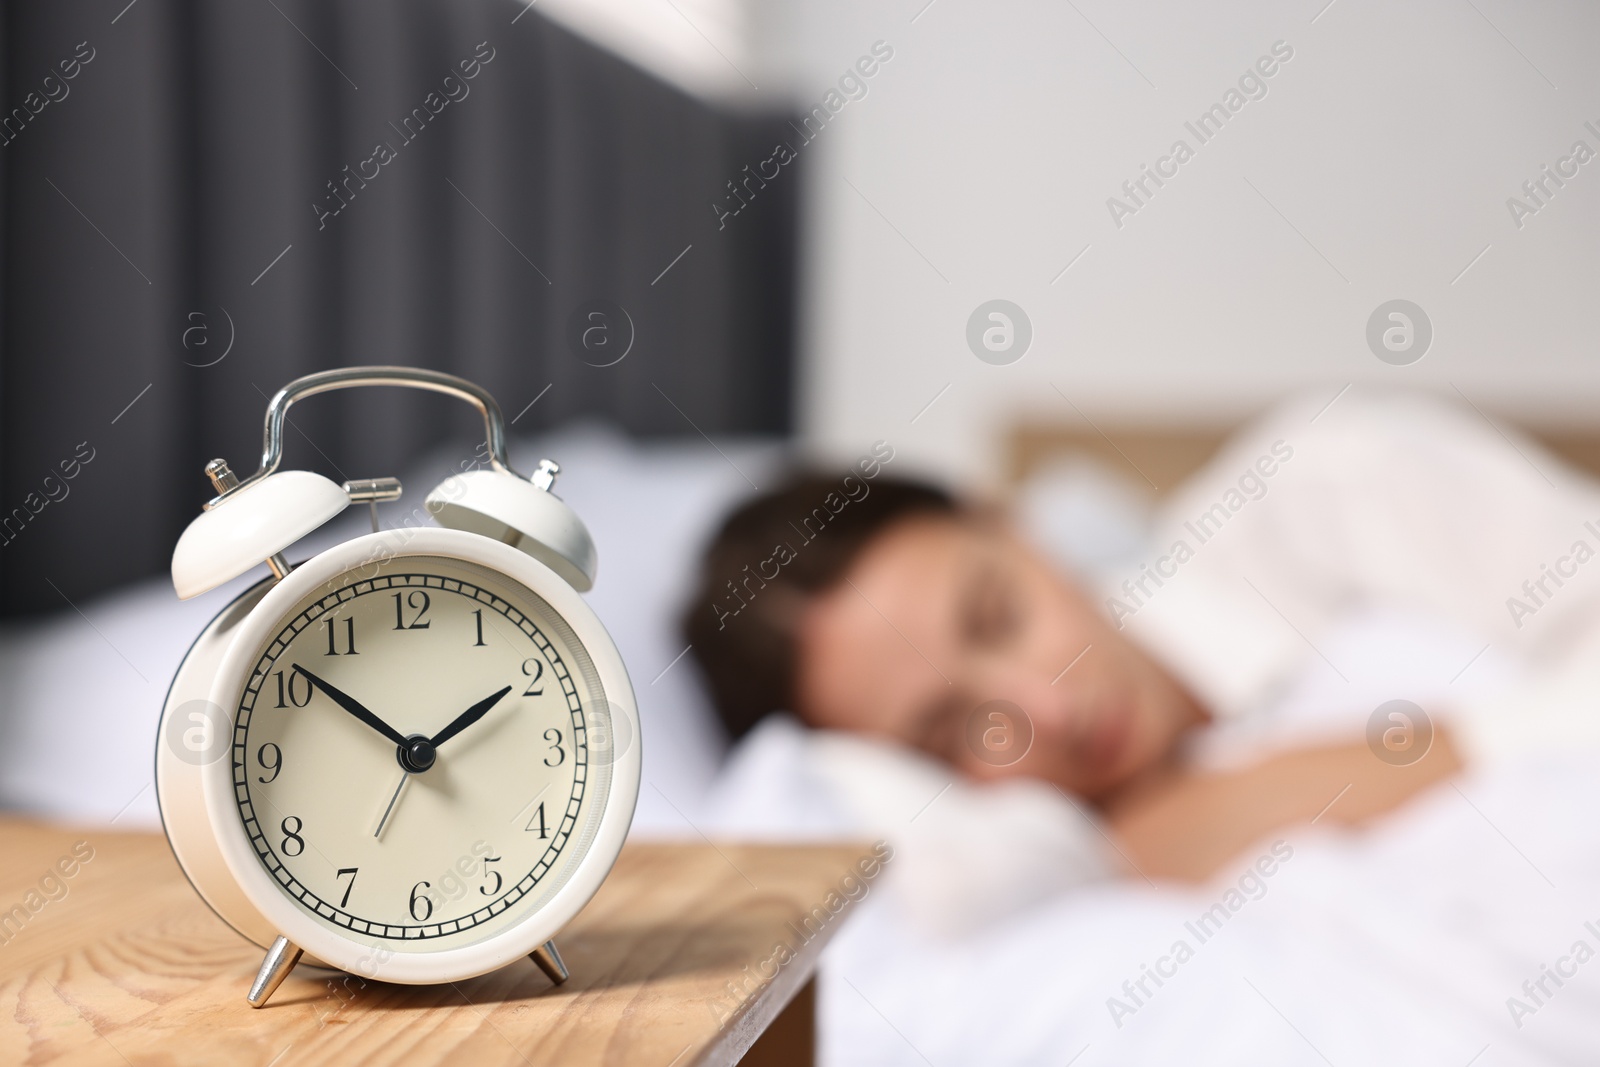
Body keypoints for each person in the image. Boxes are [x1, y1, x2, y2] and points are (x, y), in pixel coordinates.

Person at [681, 392, 1600, 881]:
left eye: (1000, 614)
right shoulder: (1060, 879)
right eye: (948, 731)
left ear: (1017, 527)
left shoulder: (1330, 488)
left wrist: (1325, 780)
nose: (1044, 709)